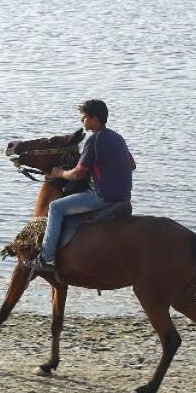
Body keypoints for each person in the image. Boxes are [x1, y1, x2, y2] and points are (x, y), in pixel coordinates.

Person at [31, 99, 136, 277]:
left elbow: (78, 173)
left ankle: (46, 258)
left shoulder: (94, 140)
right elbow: (132, 165)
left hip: (102, 197)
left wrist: (59, 174)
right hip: (123, 197)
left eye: (84, 117)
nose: (82, 121)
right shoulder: (118, 137)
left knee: (55, 207)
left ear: (94, 119)